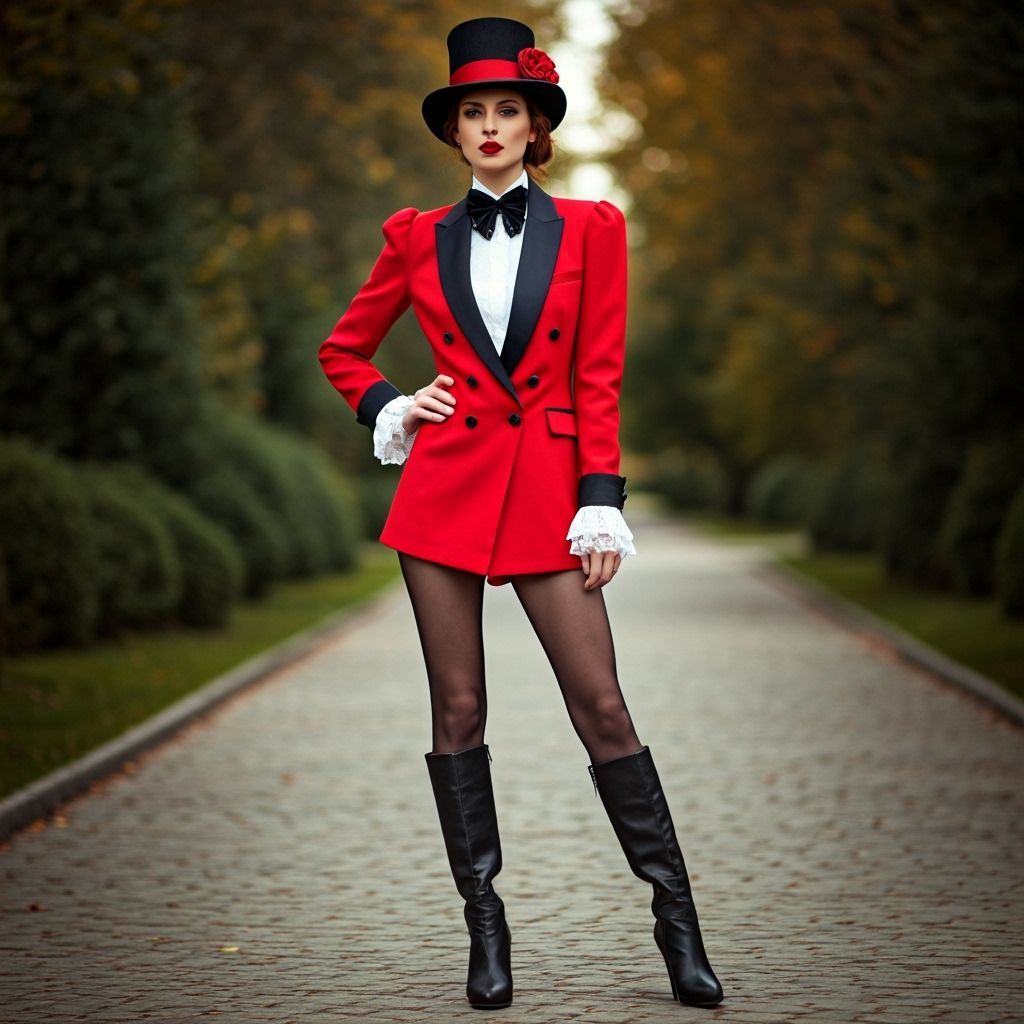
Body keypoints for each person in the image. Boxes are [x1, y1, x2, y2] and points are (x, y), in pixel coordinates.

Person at [318, 16, 723, 1012]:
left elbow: (598, 376)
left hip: (549, 496)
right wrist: (392, 404)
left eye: (506, 108)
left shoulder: (593, 229)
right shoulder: (415, 237)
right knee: (456, 710)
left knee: (603, 705)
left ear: (534, 125)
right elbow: (344, 349)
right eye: (472, 111)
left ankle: (677, 924)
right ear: (453, 132)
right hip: (444, 494)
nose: (490, 125)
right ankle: (485, 930)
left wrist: (601, 503)